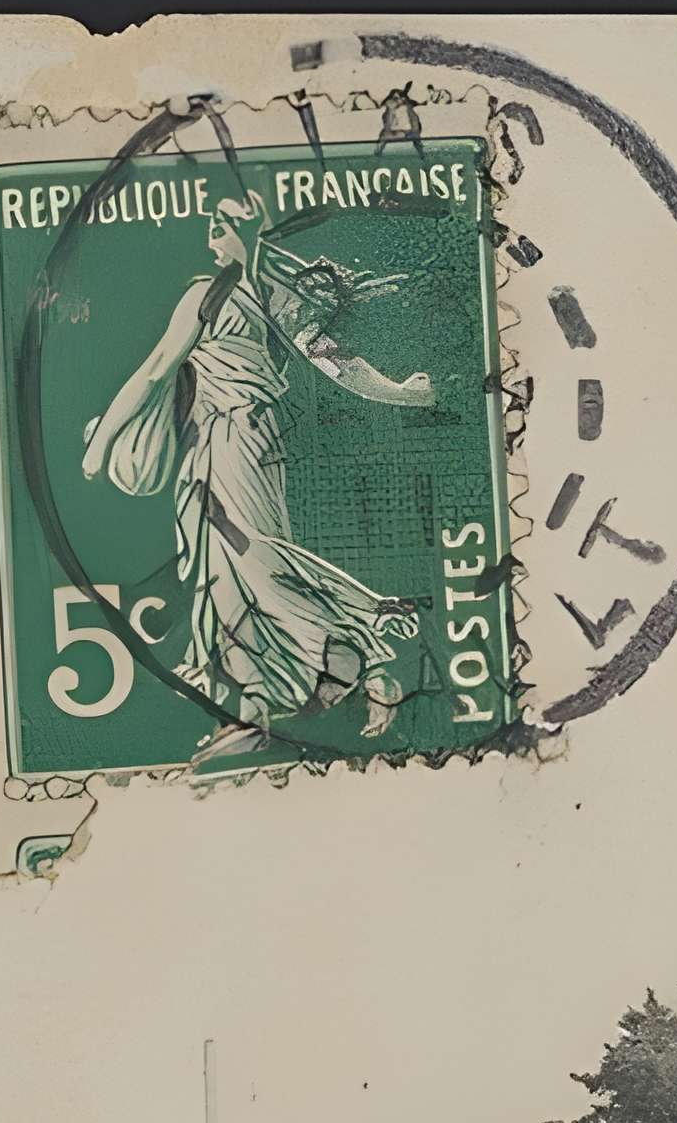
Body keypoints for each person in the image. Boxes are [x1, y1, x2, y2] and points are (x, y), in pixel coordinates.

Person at [81, 195, 436, 767]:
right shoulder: (278, 298)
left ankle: (346, 657)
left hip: (231, 441)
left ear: (247, 231)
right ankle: (289, 686)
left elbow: (155, 370)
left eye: (220, 225)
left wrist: (100, 445)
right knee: (236, 564)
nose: (211, 234)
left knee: (239, 565)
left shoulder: (210, 293)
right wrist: (402, 391)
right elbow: (338, 364)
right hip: (252, 440)